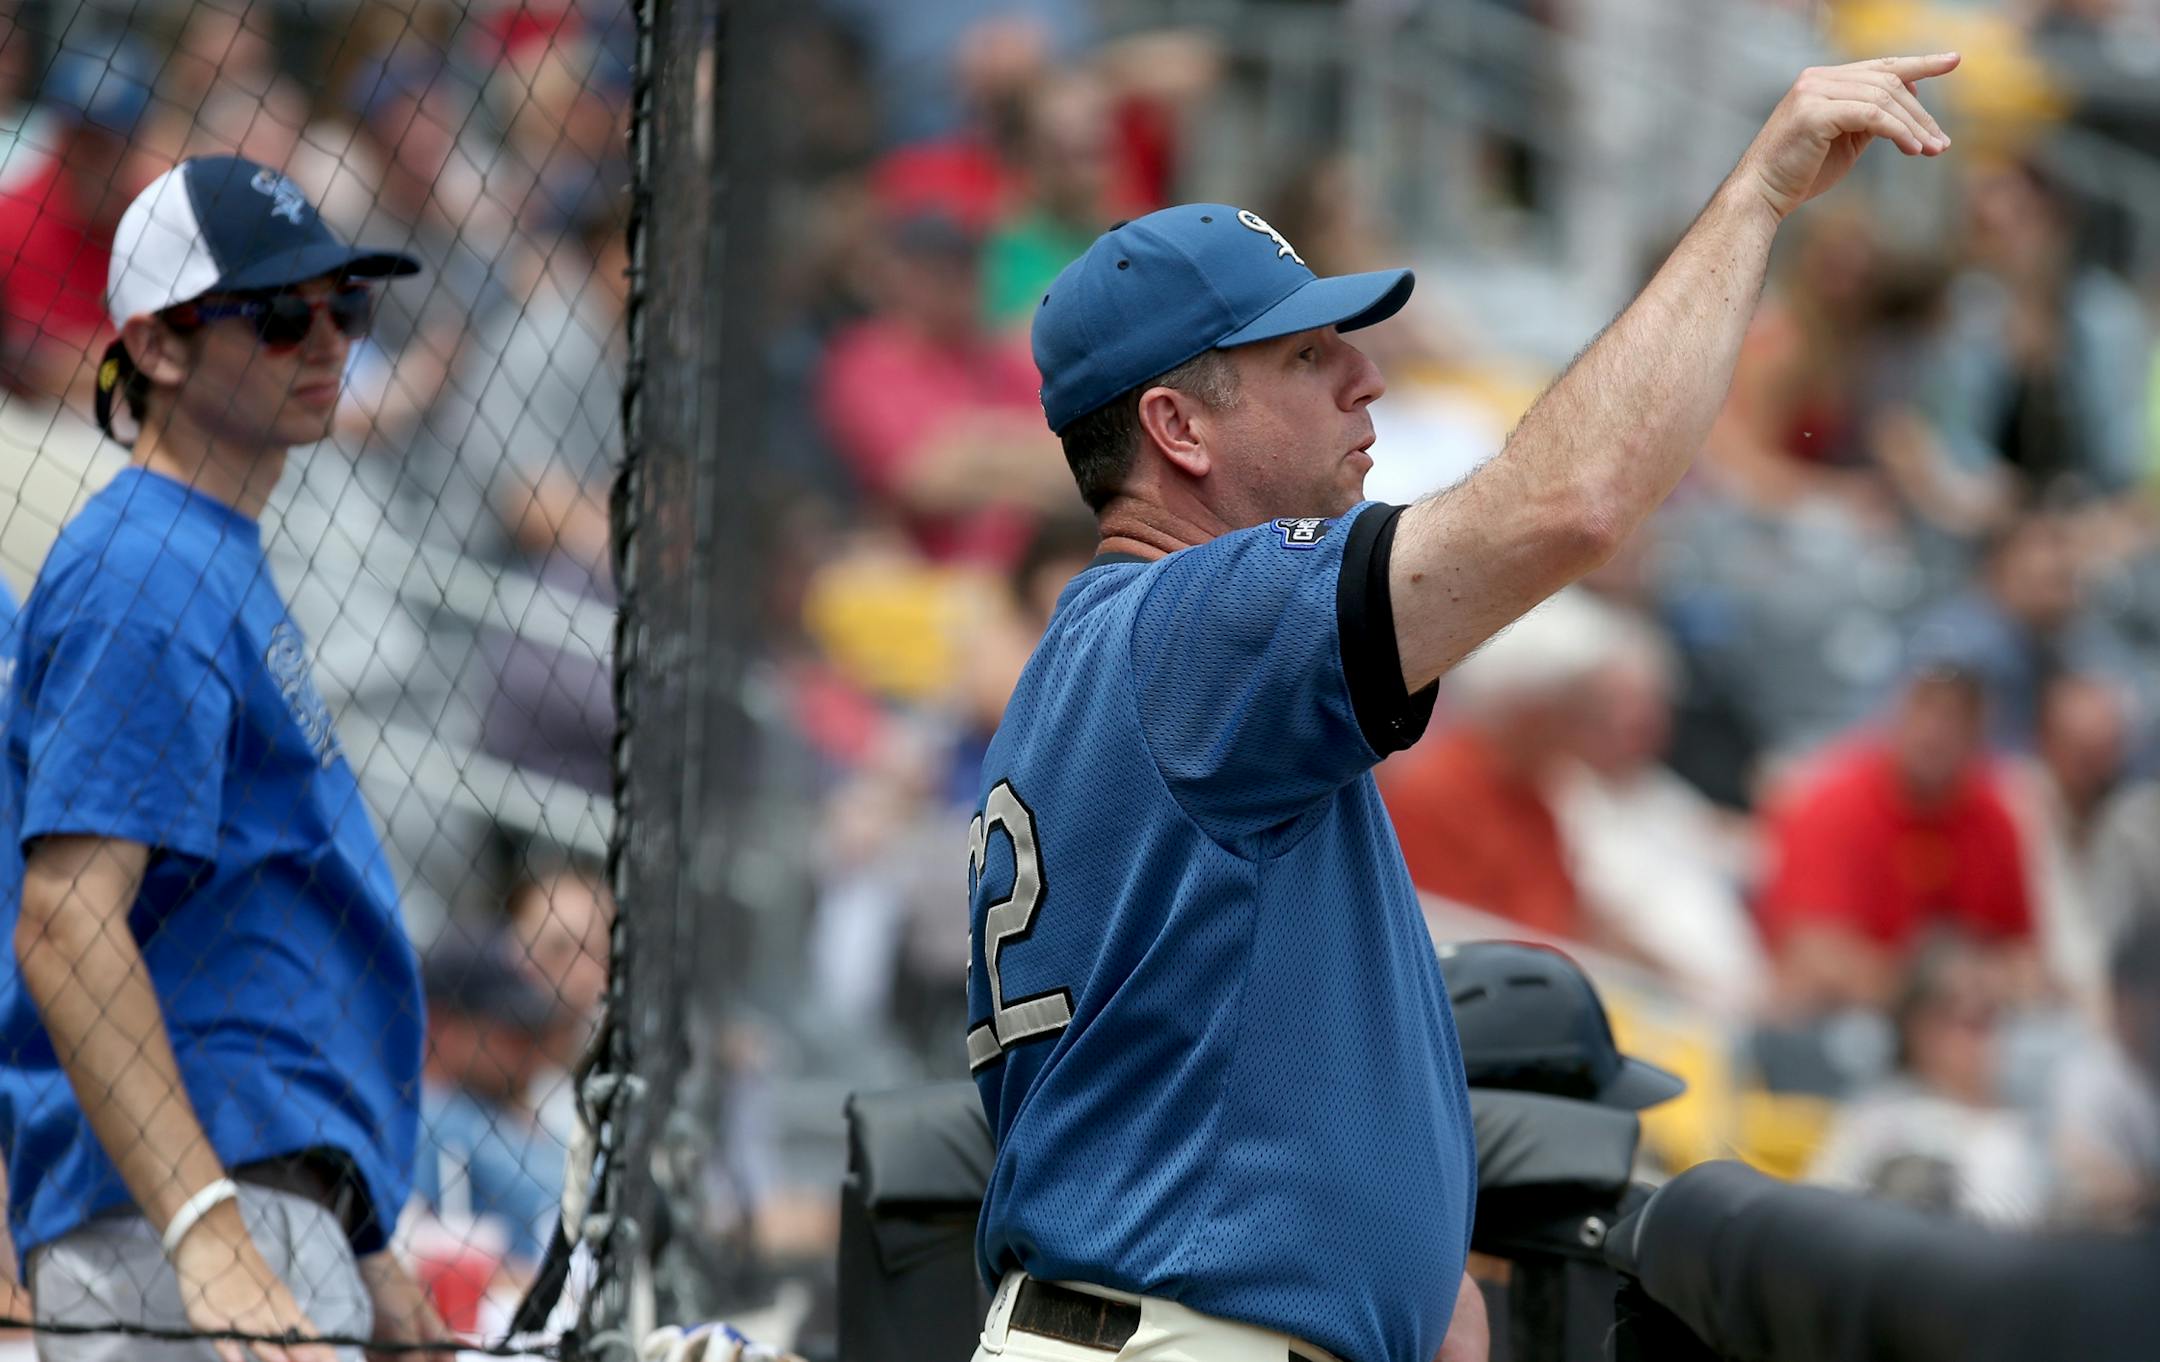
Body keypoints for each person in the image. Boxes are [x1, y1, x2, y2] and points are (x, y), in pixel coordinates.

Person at [968, 51, 1959, 1362]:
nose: (1367, 379)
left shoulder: (1119, 660)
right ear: (1177, 429)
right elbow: (1573, 502)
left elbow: (1221, 1073)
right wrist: (1756, 195)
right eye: (1310, 355)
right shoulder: (1200, 624)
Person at [0, 155, 444, 1362]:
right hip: (187, 1214)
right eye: (275, 313)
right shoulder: (148, 564)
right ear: (155, 347)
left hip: (249, 1200)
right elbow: (66, 923)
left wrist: (357, 1241)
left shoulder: (198, 552)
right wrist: (207, 1232)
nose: (327, 340)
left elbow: (236, 925)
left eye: (345, 306)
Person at [1757, 666, 2036, 1014]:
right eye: (1926, 709)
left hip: (1958, 1024)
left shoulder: (1994, 817)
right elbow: (1810, 956)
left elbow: (2025, 956)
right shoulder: (1833, 803)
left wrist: (1977, 982)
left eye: (1957, 717)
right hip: (1844, 1022)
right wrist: (1928, 990)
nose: (1937, 732)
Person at [1804, 936, 2047, 1225]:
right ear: (1915, 1024)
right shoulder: (1873, 1117)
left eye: (1992, 1016)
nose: (1984, 1037)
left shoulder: (2024, 1131)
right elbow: (1815, 1219)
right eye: (1967, 1017)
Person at [411, 932, 565, 1273]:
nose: (530, 1047)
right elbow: (420, 1256)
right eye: (511, 1032)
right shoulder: (428, 1119)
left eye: (533, 1032)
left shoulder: (516, 1107)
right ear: (443, 1027)